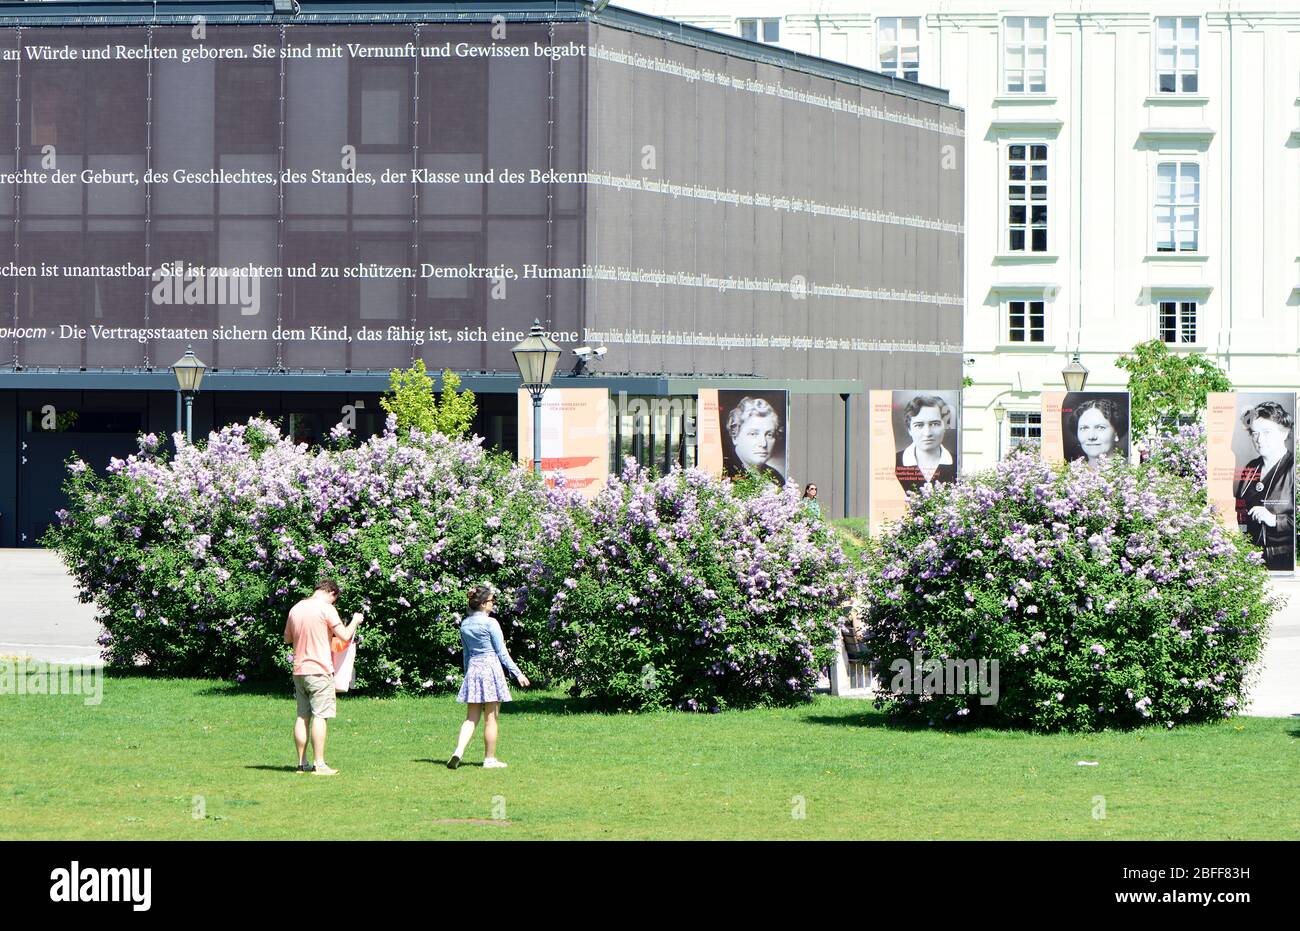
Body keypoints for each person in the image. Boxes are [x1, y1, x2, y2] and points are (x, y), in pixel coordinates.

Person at [283, 578, 363, 776]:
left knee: (302, 716)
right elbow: (344, 635)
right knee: (321, 715)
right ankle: (320, 764)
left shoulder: (296, 608)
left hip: (300, 670)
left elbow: (287, 638)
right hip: (320, 670)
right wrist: (355, 621)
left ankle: (301, 764)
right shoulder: (326, 608)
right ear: (331, 593)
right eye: (335, 600)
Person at [448, 586, 530, 770]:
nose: (493, 604)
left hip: (474, 670)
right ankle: (489, 759)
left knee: (471, 718)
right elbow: (502, 653)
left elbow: (466, 654)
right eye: (492, 601)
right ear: (484, 604)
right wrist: (518, 673)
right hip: (490, 668)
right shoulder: (491, 623)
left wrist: (467, 674)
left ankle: (458, 751)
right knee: (491, 718)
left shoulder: (465, 624)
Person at [1234, 401, 1295, 571]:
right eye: (1255, 433)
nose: (1260, 440)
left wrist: (1275, 520)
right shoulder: (1251, 467)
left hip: (1284, 560)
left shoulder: (1294, 468)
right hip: (1250, 558)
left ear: (1285, 433)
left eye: (1267, 432)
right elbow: (1239, 508)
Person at [894, 394, 957, 493]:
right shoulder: (892, 463)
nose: (927, 433)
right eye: (919, 425)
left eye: (934, 424)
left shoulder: (958, 464)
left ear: (945, 426)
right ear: (909, 429)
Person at [723, 396, 785, 484]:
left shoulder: (776, 477)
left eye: (769, 434)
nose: (763, 443)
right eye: (753, 434)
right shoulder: (723, 473)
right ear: (735, 436)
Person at [1066, 396, 1127, 465]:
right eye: (1084, 428)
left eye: (1100, 428)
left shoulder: (1131, 470)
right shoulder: (1070, 473)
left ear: (1116, 432)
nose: (1091, 436)